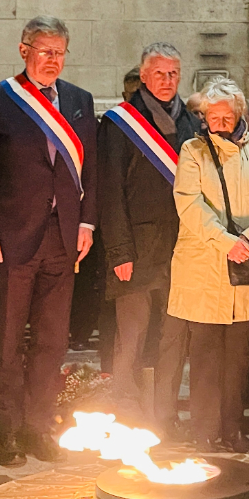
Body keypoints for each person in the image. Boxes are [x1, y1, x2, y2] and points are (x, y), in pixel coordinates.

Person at [0, 15, 98, 468]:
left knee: (51, 341)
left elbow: (91, 169)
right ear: (24, 51)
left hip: (63, 239)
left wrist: (88, 224)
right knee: (6, 340)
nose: (53, 60)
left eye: (59, 52)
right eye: (44, 51)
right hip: (12, 238)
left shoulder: (80, 100)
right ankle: (9, 432)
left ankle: (40, 427)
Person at [166, 77, 249, 454]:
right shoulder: (192, 151)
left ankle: (232, 429)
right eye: (211, 116)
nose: (217, 122)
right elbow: (189, 204)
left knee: (239, 359)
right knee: (203, 358)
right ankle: (203, 431)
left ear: (240, 114)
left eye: (224, 116)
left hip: (247, 269)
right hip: (203, 270)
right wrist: (226, 241)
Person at [98, 42, 199, 417]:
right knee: (132, 337)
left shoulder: (191, 121)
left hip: (181, 249)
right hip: (136, 250)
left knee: (174, 338)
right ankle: (127, 413)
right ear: (143, 76)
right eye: (159, 73)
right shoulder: (119, 122)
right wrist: (119, 252)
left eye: (173, 73)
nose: (167, 80)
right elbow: (109, 192)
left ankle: (164, 415)